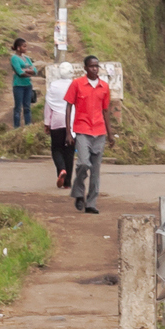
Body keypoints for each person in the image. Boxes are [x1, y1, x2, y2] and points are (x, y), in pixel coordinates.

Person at [64, 55, 111, 214]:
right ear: (85, 68)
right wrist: (68, 132)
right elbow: (69, 106)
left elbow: (105, 111)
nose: (95, 69)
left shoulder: (104, 86)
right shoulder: (77, 84)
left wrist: (110, 135)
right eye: (91, 66)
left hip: (99, 131)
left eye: (97, 66)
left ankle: (91, 203)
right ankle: (78, 193)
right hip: (82, 129)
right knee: (83, 164)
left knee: (96, 171)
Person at [43, 62, 73, 190]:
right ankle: (67, 183)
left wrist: (47, 123)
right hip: (72, 122)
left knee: (56, 149)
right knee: (70, 152)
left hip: (56, 121)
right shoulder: (75, 85)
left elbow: (48, 105)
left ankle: (61, 169)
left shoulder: (53, 86)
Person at [9, 38, 37, 128]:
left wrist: (26, 71)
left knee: (27, 107)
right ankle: (16, 127)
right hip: (18, 86)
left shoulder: (27, 58)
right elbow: (19, 72)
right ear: (18, 48)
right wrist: (29, 71)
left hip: (28, 85)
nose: (25, 48)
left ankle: (28, 126)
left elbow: (35, 70)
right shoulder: (14, 58)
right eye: (24, 46)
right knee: (18, 107)